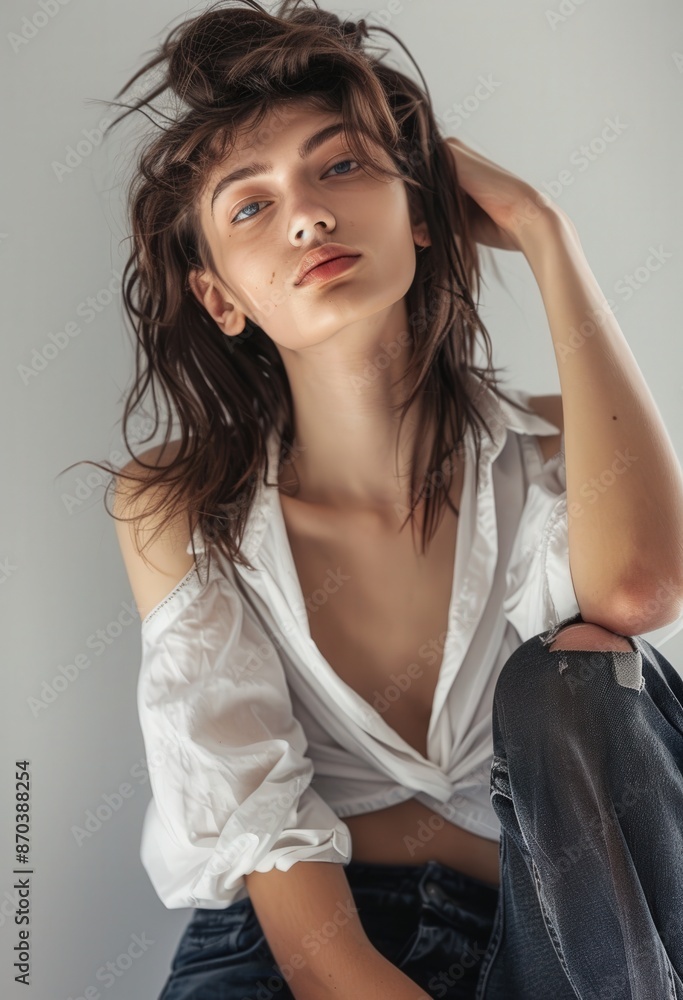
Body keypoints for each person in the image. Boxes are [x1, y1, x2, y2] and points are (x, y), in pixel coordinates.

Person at [98, 1, 683, 996]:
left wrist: (546, 234)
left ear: (423, 208)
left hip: (558, 939)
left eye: (341, 166)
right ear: (220, 298)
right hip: (303, 951)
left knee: (574, 675)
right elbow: (304, 921)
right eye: (249, 206)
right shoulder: (180, 504)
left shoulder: (554, 447)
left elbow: (636, 592)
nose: (305, 215)